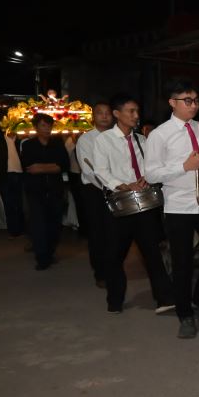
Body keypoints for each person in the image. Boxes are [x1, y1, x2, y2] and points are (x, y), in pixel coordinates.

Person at [144, 78, 199, 339]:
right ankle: (185, 314)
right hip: (178, 205)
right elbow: (151, 174)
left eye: (196, 100)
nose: (193, 105)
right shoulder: (159, 135)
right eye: (187, 101)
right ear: (172, 102)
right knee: (182, 263)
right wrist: (184, 167)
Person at [91, 94, 176, 314]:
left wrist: (147, 178)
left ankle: (164, 299)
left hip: (144, 205)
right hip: (119, 206)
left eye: (137, 111)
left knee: (152, 252)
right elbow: (100, 170)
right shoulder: (104, 140)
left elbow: (151, 166)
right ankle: (115, 300)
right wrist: (122, 185)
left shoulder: (142, 140)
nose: (136, 115)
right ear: (117, 114)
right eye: (131, 111)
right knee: (114, 255)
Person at [19, 114, 69, 269]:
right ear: (36, 127)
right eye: (43, 125)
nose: (47, 129)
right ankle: (42, 258)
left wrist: (41, 167)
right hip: (36, 190)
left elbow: (64, 165)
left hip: (55, 190)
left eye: (49, 126)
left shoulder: (57, 144)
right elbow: (29, 168)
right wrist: (53, 166)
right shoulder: (28, 145)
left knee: (54, 224)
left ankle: (50, 252)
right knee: (38, 224)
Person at [77, 102, 113, 286]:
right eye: (100, 113)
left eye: (107, 113)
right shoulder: (85, 139)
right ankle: (101, 273)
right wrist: (111, 186)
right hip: (95, 190)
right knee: (98, 232)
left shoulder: (116, 137)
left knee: (114, 232)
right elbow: (89, 170)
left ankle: (114, 268)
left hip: (117, 189)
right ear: (93, 117)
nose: (104, 116)